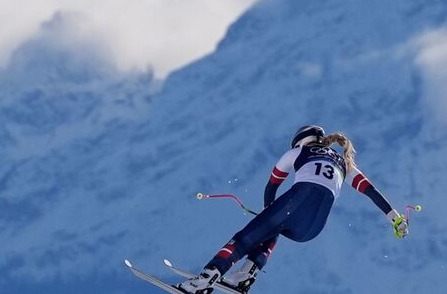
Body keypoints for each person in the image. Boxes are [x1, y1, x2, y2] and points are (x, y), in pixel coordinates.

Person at [175, 125, 409, 294]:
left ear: (300, 141)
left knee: (245, 238)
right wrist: (395, 218)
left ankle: (204, 280)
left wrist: (266, 214)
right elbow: (371, 191)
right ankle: (246, 275)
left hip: (296, 202)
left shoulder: (298, 152)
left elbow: (271, 186)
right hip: (312, 228)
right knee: (276, 227)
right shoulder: (345, 164)